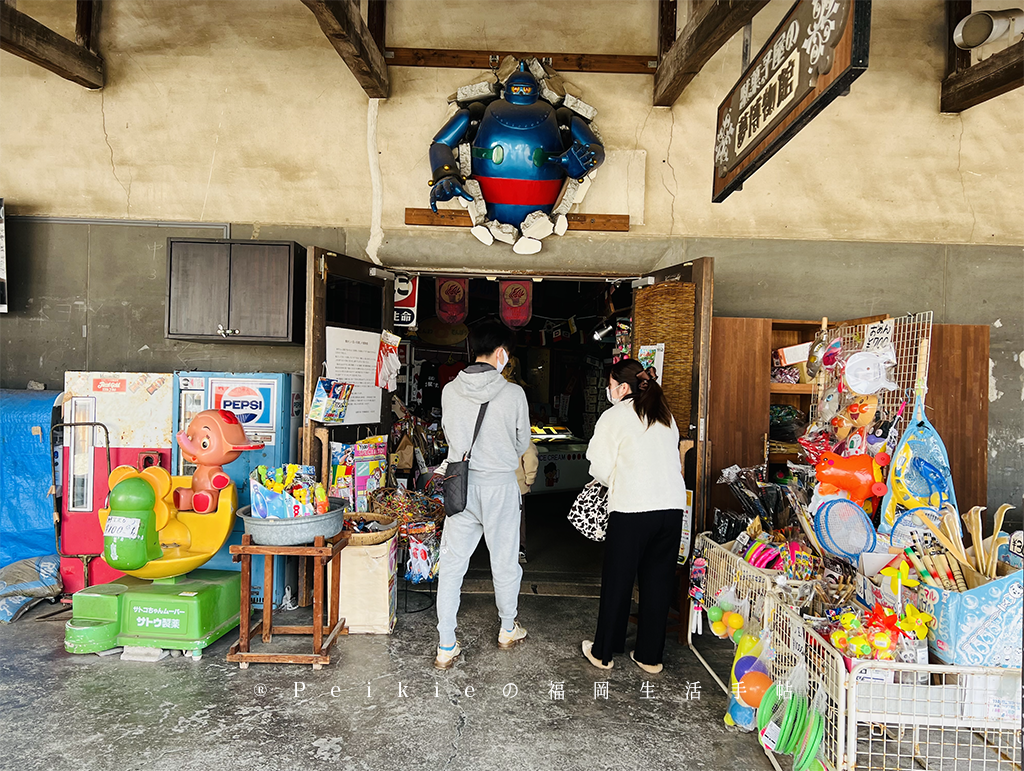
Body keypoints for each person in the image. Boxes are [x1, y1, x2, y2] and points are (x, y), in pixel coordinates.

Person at [434, 320, 532, 669]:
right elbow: (522, 443)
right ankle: (508, 627)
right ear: (502, 353)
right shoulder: (513, 394)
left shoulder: (449, 391)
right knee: (504, 560)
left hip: (460, 484)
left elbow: (450, 436)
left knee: (452, 565)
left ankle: (446, 643)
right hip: (501, 486)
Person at [581, 358, 687, 674]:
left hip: (632, 509)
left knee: (619, 581)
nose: (607, 390)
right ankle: (650, 657)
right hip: (671, 508)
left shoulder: (614, 417)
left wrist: (618, 476)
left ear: (623, 387)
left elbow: (598, 466)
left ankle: (603, 652)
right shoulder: (665, 415)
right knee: (658, 583)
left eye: (610, 385)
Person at [515, 441, 539, 563]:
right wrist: (529, 479)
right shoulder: (521, 437)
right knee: (518, 518)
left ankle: (500, 550)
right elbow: (530, 457)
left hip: (494, 484)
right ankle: (520, 549)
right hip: (517, 486)